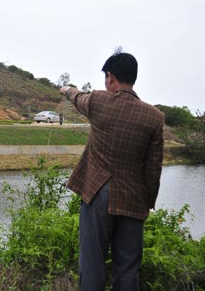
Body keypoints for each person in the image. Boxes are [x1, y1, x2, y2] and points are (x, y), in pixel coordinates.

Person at [60, 50, 164, 291]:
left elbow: (78, 98)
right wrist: (148, 202)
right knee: (128, 269)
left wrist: (66, 90)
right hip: (134, 199)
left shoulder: (98, 101)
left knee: (92, 264)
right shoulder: (155, 117)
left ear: (110, 77)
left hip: (98, 193)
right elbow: (153, 168)